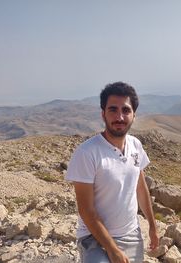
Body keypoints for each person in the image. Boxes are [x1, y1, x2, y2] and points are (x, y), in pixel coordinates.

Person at [65, 82, 159, 263]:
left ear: (134, 115)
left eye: (126, 110)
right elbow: (86, 210)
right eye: (113, 110)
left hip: (131, 234)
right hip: (94, 238)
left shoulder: (135, 145)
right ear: (103, 114)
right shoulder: (87, 153)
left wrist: (153, 227)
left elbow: (140, 187)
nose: (119, 117)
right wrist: (112, 250)